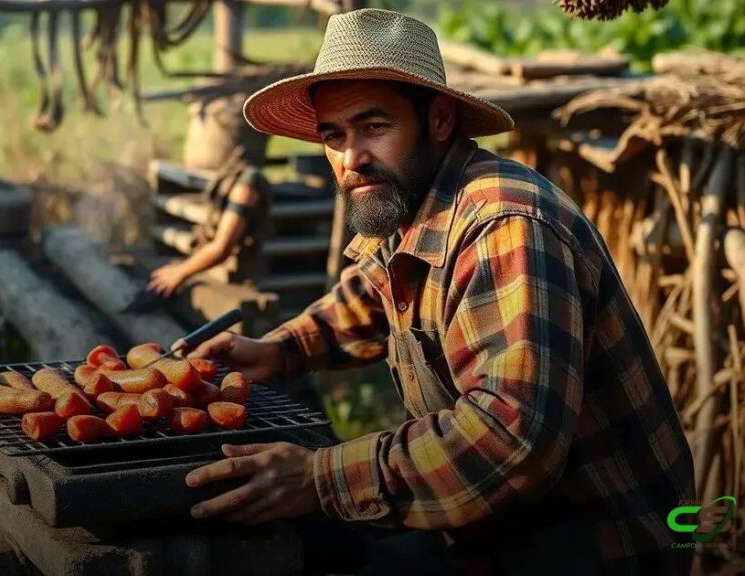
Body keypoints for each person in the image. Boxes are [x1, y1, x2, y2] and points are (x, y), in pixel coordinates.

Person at [174, 9, 695, 576]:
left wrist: (317, 478)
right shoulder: (413, 203)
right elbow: (376, 294)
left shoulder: (505, 224)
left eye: (373, 127)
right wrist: (278, 349)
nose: (351, 158)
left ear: (440, 119)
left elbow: (511, 440)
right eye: (334, 136)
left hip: (597, 543)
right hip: (496, 529)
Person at [147, 156, 271, 298]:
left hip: (245, 280)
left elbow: (223, 247)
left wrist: (180, 271)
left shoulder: (247, 185)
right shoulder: (228, 177)